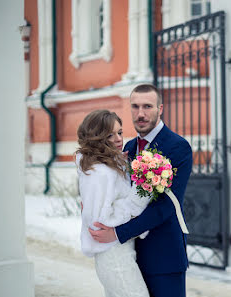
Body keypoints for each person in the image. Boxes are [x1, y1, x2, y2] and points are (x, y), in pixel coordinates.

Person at [89, 84, 193, 297]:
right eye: (135, 107)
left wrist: (118, 234)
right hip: (129, 256)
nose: (141, 113)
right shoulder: (127, 147)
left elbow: (165, 207)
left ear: (160, 109)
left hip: (163, 256)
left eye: (147, 106)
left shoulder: (177, 146)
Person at [75, 109, 151, 297]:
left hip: (120, 251)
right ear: (97, 137)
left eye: (119, 132)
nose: (118, 139)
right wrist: (137, 199)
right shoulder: (99, 173)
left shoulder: (107, 166)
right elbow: (99, 221)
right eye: (110, 135)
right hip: (113, 254)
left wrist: (119, 164)